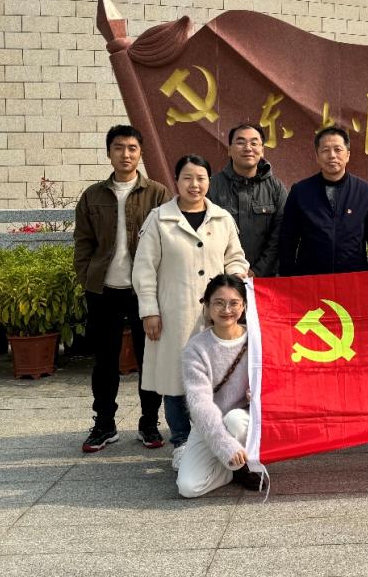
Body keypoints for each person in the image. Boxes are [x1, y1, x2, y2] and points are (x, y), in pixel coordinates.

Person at [132, 154, 249, 470]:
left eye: (201, 178)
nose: (194, 184)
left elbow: (236, 258)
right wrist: (149, 311)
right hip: (174, 314)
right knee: (176, 381)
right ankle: (181, 442)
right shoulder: (159, 219)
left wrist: (234, 280)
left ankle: (214, 438)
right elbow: (144, 269)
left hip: (219, 316)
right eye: (187, 178)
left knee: (214, 378)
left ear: (209, 181)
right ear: (176, 181)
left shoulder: (222, 218)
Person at [74, 125, 170, 454]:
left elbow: (167, 242)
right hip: (104, 290)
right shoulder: (93, 195)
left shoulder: (157, 194)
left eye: (132, 148)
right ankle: (104, 424)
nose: (125, 154)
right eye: (118, 148)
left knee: (149, 359)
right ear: (109, 153)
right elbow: (83, 242)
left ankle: (149, 422)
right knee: (104, 361)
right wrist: (86, 277)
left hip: (144, 292)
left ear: (140, 153)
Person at [177, 274, 258, 498]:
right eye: (219, 303)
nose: (227, 310)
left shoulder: (257, 339)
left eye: (234, 303)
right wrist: (224, 446)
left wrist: (259, 393)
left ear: (244, 306)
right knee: (188, 487)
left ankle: (245, 463)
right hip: (209, 424)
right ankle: (232, 469)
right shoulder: (196, 348)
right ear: (207, 305)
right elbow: (200, 405)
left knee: (234, 419)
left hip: (245, 420)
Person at [278, 126, 368, 276]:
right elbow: (288, 238)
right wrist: (288, 276)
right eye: (325, 150)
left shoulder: (366, 192)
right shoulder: (300, 191)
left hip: (353, 278)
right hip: (311, 278)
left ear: (348, 155)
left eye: (338, 149)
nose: (332, 155)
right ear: (317, 156)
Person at [208, 123, 288, 277]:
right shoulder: (212, 186)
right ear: (229, 150)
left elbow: (280, 235)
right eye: (241, 142)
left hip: (264, 280)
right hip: (221, 278)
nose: (248, 148)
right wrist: (231, 272)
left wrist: (257, 271)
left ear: (262, 150)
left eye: (254, 143)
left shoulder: (276, 189)